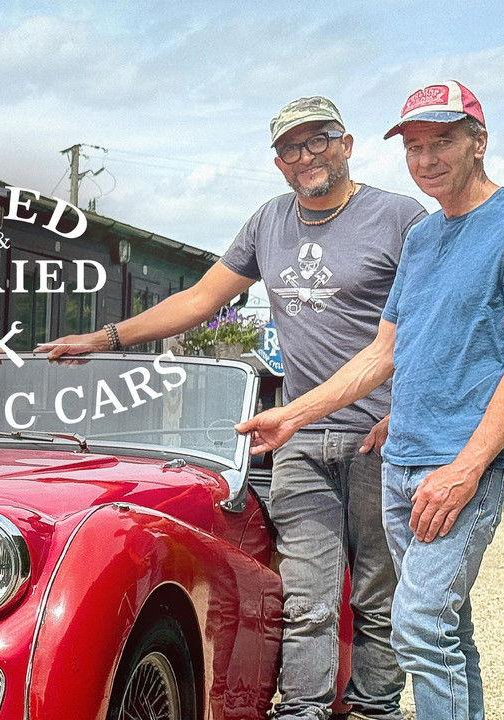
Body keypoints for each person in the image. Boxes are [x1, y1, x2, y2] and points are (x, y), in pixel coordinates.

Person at [42, 97, 425, 720]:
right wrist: (105, 338)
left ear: (348, 143)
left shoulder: (400, 217)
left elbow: (431, 321)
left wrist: (406, 411)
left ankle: (375, 709)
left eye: (317, 140)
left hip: (379, 439)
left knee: (379, 597)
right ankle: (304, 710)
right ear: (278, 164)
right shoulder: (269, 222)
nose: (306, 156)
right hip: (295, 436)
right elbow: (200, 298)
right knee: (306, 596)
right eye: (290, 149)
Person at [237, 81, 504, 720]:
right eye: (414, 146)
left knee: (415, 624)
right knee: (446, 631)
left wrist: (466, 470)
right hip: (402, 459)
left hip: (462, 462)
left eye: (443, 141)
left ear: (479, 143)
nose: (427, 159)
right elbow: (383, 354)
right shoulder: (423, 236)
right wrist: (293, 414)